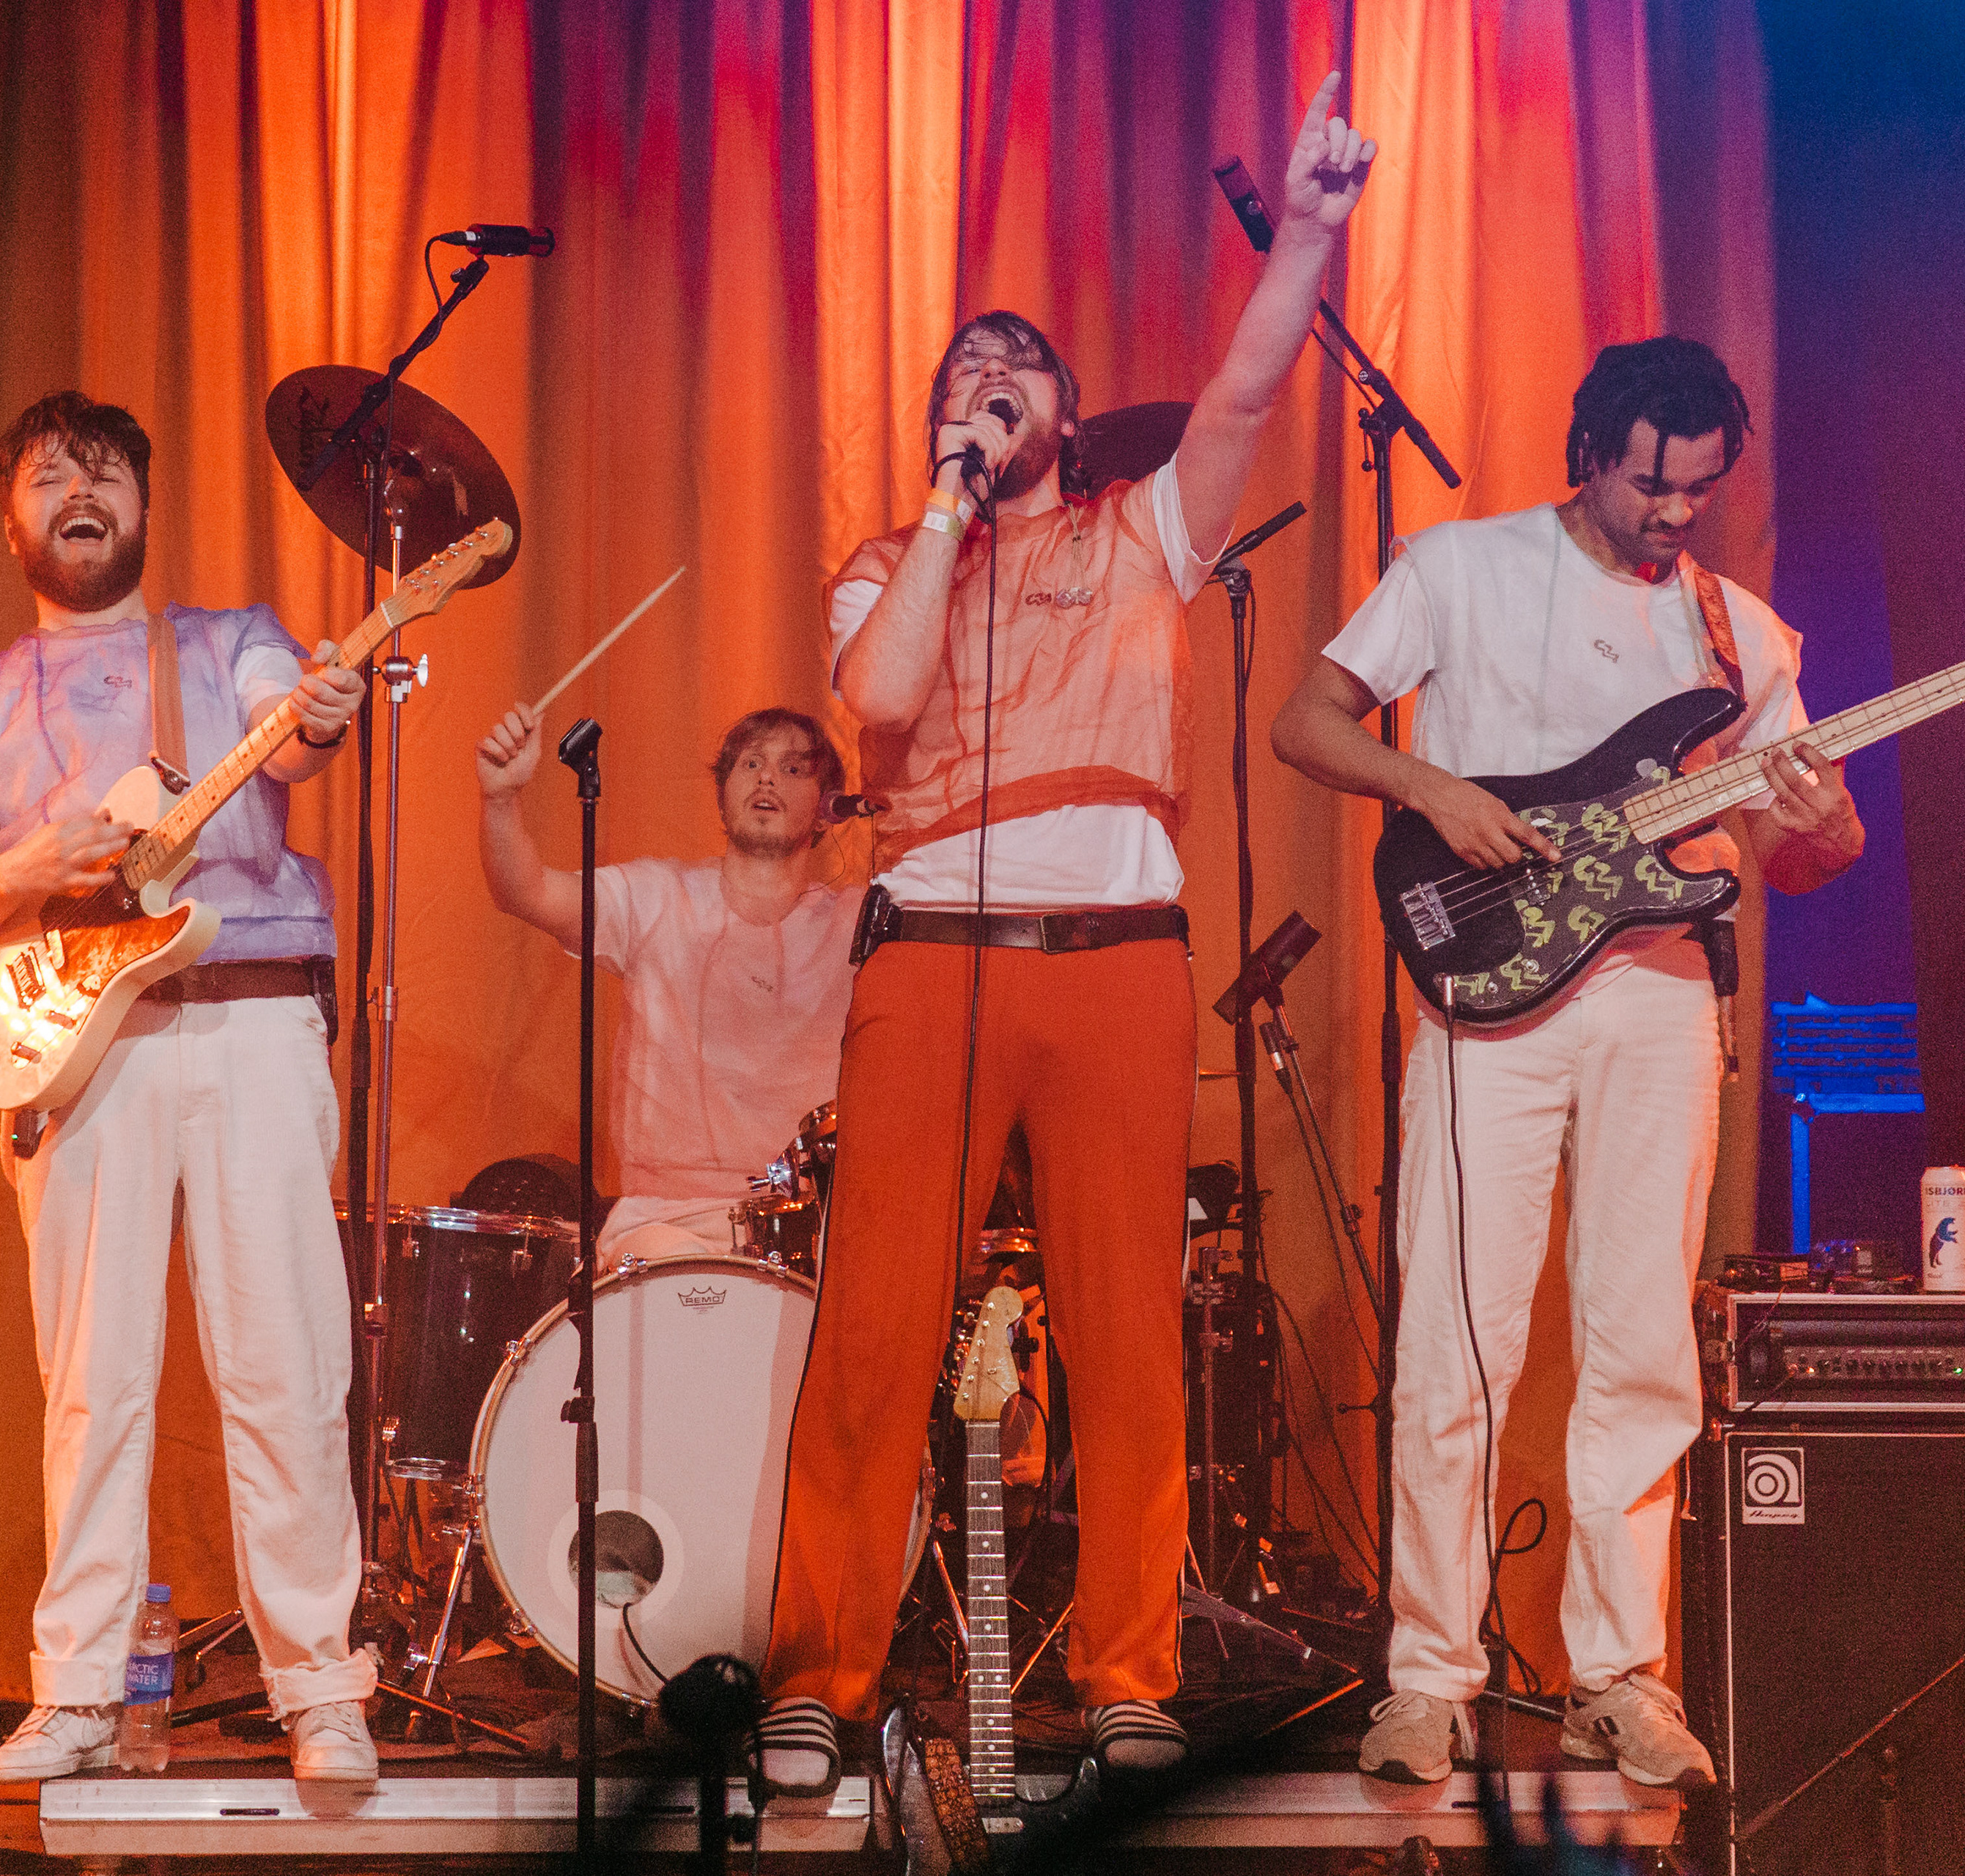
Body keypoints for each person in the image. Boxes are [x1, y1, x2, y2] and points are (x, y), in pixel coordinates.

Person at [753, 75, 1380, 1793]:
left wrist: (1305, 235)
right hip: (933, 955)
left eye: (1018, 365)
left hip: (1116, 956)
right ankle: (817, 1673)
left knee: (1125, 1334)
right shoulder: (889, 559)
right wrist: (946, 511)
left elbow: (1244, 384)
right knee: (873, 1326)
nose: (990, 375)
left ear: (1069, 412)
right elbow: (879, 707)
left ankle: (1127, 1674)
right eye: (965, 369)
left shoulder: (1142, 529)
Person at [1269, 336, 1864, 1790]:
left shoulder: (1743, 635)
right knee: (1455, 1337)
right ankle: (1428, 1675)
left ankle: (1619, 1673)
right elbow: (1307, 721)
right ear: (1588, 452)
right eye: (1649, 484)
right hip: (1488, 991)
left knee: (1642, 1339)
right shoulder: (1459, 566)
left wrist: (1825, 817)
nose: (1673, 512)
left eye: (1699, 489)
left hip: (1661, 994)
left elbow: (1803, 859)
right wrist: (1431, 789)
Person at [0, 393, 379, 1783]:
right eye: (51, 477)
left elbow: (294, 734)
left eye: (106, 474)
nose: (81, 494)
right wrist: (31, 864)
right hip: (87, 1045)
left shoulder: (231, 643)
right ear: (12, 520)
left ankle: (319, 1689)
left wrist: (320, 710)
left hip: (253, 1019)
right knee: (92, 1385)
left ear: (146, 509)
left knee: (286, 1365)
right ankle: (78, 1692)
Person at [474, 703, 860, 1260]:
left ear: (828, 810)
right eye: (751, 764)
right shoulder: (656, 896)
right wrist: (500, 800)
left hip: (812, 1230)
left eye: (794, 769)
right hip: (664, 1225)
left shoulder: (858, 923)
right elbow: (525, 892)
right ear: (723, 792)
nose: (768, 779)